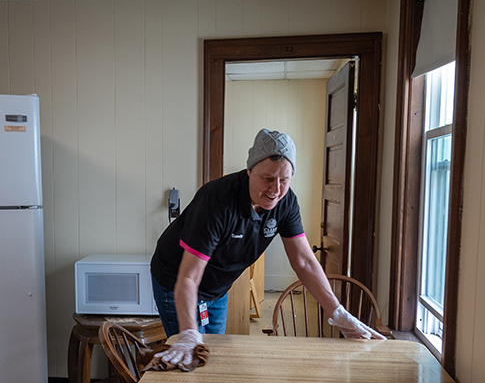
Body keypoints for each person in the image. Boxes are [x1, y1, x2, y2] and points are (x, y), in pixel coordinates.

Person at [150, 129, 386, 366]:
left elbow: (304, 262)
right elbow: (189, 278)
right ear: (249, 170)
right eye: (268, 178)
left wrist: (338, 313)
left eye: (284, 180)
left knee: (212, 356)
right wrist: (189, 333)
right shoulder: (216, 202)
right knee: (191, 356)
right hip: (176, 280)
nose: (275, 190)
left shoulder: (287, 203)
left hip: (218, 288)